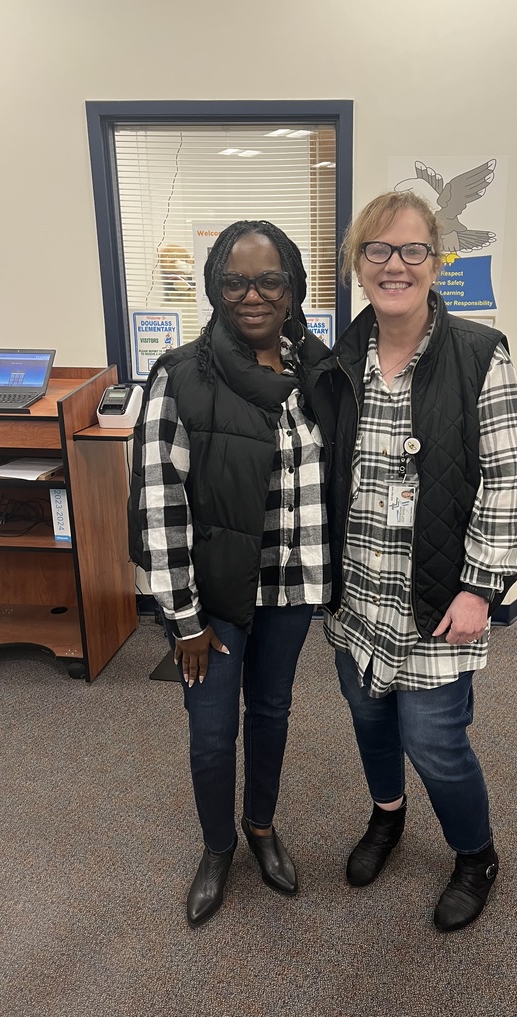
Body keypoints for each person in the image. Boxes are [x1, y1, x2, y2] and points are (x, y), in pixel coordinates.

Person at [324, 191, 517, 932]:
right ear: (359, 265)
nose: (395, 265)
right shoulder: (342, 361)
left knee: (435, 742)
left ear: (435, 263)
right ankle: (387, 818)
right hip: (358, 595)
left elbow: (507, 477)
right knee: (368, 719)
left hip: (438, 597)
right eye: (377, 251)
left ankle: (476, 856)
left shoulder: (479, 353)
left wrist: (480, 588)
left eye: (411, 250)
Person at [129, 220, 336, 928]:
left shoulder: (316, 372)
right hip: (213, 600)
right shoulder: (181, 374)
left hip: (291, 587)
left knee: (272, 713)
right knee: (213, 731)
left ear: (293, 287)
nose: (253, 295)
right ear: (216, 289)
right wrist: (180, 618)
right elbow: (158, 503)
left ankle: (262, 827)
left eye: (269, 279)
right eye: (235, 281)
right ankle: (218, 848)